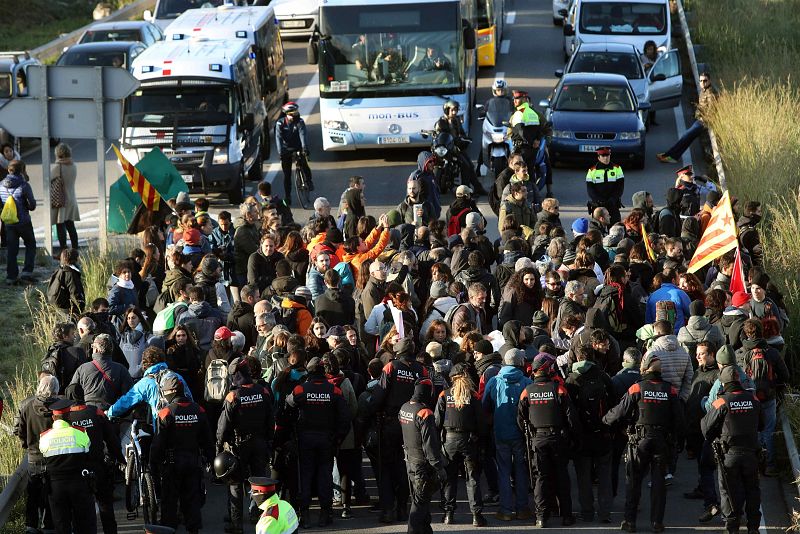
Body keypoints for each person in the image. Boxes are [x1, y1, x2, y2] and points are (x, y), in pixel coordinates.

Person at [603, 354, 685, 533]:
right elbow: (679, 420)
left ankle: (630, 521)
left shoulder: (636, 388)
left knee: (633, 481)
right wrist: (677, 441)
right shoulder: (670, 390)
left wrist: (604, 421)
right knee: (658, 484)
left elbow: (619, 412)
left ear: (644, 367)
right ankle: (657, 522)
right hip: (662, 441)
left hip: (640, 441)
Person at [286, 356, 351, 527]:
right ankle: (325, 514)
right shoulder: (334, 390)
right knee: (325, 476)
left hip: (305, 439)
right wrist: (337, 438)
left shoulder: (301, 389)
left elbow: (288, 404)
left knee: (305, 476)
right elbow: (345, 418)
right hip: (327, 439)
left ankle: (305, 515)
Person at [701, 365, 763, 534]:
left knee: (728, 492)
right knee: (752, 490)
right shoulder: (753, 399)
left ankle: (732, 528)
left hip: (729, 455)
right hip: (751, 453)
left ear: (723, 383)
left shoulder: (722, 401)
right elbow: (762, 424)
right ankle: (753, 528)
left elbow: (706, 428)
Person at [519, 354, 579, 527]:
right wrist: (574, 437)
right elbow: (571, 417)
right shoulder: (559, 389)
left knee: (541, 478)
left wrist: (530, 433)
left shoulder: (527, 391)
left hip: (538, 439)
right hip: (557, 438)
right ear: (548, 369)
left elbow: (520, 418)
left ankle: (541, 517)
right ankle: (567, 516)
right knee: (562, 476)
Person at [150, 373, 214, 534]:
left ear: (169, 392)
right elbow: (207, 439)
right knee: (192, 501)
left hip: (172, 465)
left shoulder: (166, 413)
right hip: (193, 462)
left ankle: (168, 529)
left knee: (169, 504)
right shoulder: (198, 410)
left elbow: (158, 443)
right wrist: (211, 460)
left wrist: (153, 465)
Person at [216, 357, 274, 534]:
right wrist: (268, 441)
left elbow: (223, 426)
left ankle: (236, 524)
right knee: (260, 481)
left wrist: (219, 446)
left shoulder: (233, 396)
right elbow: (271, 420)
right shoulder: (263, 391)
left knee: (235, 483)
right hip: (260, 442)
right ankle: (260, 517)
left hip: (238, 444)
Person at [63, 383, 125, 534]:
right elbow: (111, 439)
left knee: (80, 512)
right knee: (106, 507)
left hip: (76, 471)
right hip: (98, 467)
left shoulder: (66, 418)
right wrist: (120, 459)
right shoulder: (96, 412)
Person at [565, 344, 614, 523]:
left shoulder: (571, 379)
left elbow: (567, 410)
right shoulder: (602, 376)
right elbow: (614, 401)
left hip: (581, 436)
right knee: (604, 475)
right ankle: (605, 513)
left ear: (577, 358)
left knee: (583, 476)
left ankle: (587, 512)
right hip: (602, 433)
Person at [481, 349, 532, 521]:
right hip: (520, 433)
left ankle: (505, 510)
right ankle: (522, 508)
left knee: (503, 470)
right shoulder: (526, 381)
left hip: (500, 432)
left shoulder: (494, 381)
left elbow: (485, 406)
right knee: (520, 469)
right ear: (520, 363)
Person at [434, 363, 487, 526]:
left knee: (449, 479)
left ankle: (448, 514)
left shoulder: (444, 394)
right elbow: (481, 422)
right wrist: (481, 440)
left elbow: (437, 421)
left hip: (449, 440)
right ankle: (476, 516)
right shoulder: (474, 395)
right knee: (473, 478)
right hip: (469, 441)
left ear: (452, 378)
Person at [38, 398, 96, 534]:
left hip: (55, 487)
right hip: (79, 485)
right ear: (69, 416)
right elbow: (87, 449)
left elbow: (42, 452)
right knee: (84, 524)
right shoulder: (80, 432)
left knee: (61, 526)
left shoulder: (44, 437)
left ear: (53, 417)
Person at [399, 378, 448, 534]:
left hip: (409, 460)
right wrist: (439, 467)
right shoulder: (425, 412)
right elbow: (430, 444)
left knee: (419, 498)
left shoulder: (404, 407)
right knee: (420, 502)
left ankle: (425, 529)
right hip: (422, 464)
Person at [14, 373, 59, 533]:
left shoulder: (27, 405)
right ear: (56, 389)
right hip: (55, 458)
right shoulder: (60, 407)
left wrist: (26, 444)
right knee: (52, 494)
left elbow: (19, 430)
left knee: (33, 494)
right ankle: (49, 525)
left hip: (34, 457)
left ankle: (31, 525)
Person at [657, 71, 718, 163]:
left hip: (703, 122)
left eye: (705, 81)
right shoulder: (704, 90)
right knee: (686, 138)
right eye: (700, 81)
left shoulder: (710, 94)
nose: (702, 83)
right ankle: (669, 155)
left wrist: (702, 119)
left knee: (686, 137)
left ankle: (672, 156)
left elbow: (711, 112)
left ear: (709, 81)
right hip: (700, 120)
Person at [69, 333, 133, 410]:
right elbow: (129, 396)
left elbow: (72, 391)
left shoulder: (82, 368)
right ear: (111, 349)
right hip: (112, 415)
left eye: (92, 346)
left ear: (96, 349)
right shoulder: (121, 369)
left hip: (89, 413)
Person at [0, 160, 37, 283]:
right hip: (24, 222)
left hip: (9, 222)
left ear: (8, 170)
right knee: (30, 244)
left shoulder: (0, 185)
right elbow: (32, 205)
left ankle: (11, 277)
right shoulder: (24, 185)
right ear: (21, 170)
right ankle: (26, 272)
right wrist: (26, 205)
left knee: (12, 250)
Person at [275, 102, 312, 203]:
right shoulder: (280, 123)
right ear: (286, 114)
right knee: (287, 175)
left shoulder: (300, 122)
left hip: (298, 147)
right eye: (292, 114)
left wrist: (305, 148)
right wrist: (280, 152)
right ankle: (288, 196)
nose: (294, 115)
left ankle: (308, 181)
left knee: (304, 164)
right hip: (286, 149)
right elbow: (278, 138)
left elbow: (303, 135)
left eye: (296, 113)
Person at [51, 142, 81, 252]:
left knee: (60, 225)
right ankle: (75, 249)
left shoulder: (57, 167)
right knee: (70, 225)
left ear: (58, 154)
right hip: (72, 199)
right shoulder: (73, 166)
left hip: (61, 201)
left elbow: (48, 179)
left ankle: (63, 250)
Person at [586, 146, 624, 224]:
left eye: (607, 155)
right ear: (599, 158)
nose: (606, 158)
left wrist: (613, 199)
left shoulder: (617, 168)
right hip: (598, 205)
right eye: (603, 156)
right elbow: (590, 189)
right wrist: (599, 200)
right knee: (597, 229)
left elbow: (620, 187)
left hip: (612, 204)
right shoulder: (592, 171)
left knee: (616, 226)